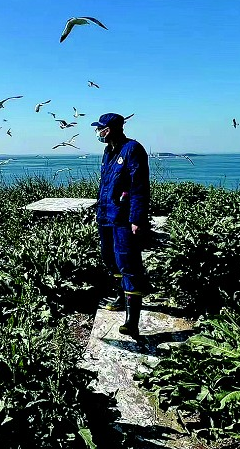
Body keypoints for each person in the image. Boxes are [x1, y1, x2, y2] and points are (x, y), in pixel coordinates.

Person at [92, 112, 150, 336]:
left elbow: (139, 187)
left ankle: (132, 319)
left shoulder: (132, 149)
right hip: (105, 215)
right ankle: (120, 296)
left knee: (128, 263)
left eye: (102, 128)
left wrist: (137, 218)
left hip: (124, 218)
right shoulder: (108, 151)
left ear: (113, 128)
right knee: (109, 258)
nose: (98, 132)